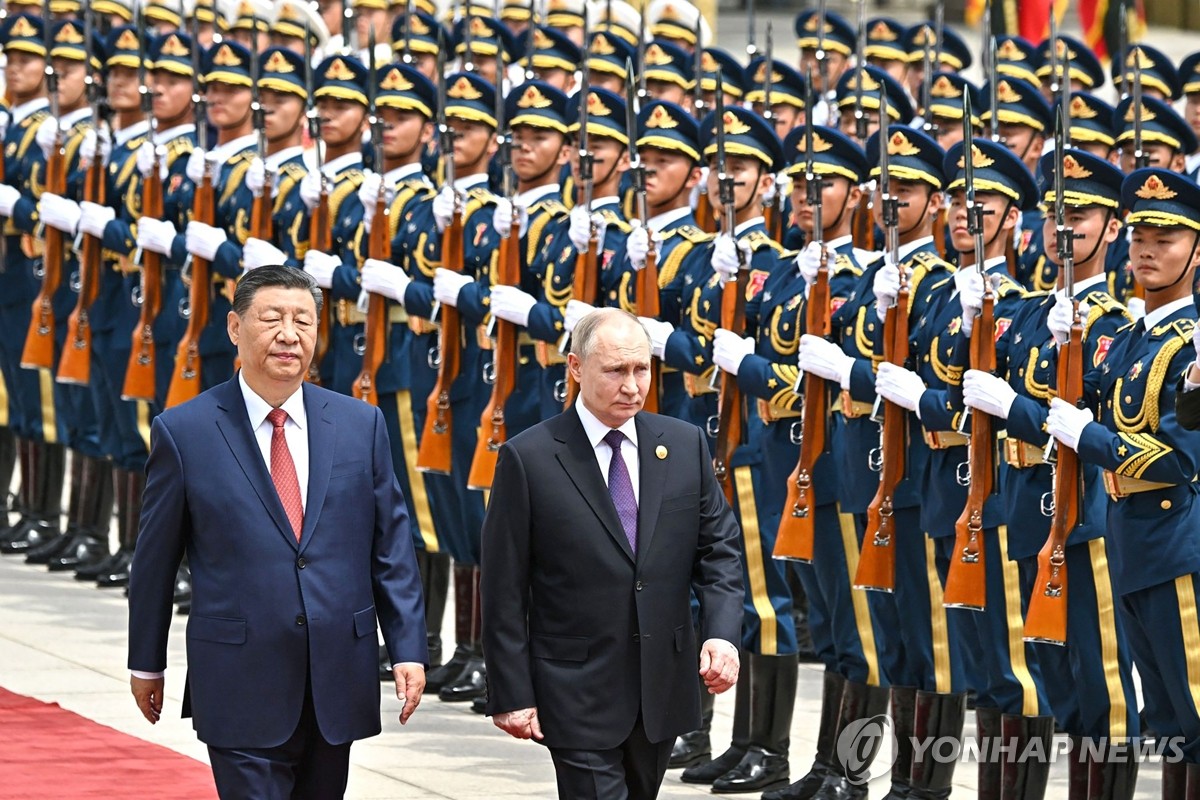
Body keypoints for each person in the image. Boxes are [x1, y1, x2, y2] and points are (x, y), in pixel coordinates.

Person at [126, 265, 428, 799]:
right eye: (272, 319)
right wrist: (146, 661)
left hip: (336, 676)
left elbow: (392, 550)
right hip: (239, 676)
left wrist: (407, 648)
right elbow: (155, 561)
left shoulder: (362, 425)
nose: (289, 335)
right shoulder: (186, 431)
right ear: (234, 328)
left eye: (303, 321)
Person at [481, 307, 743, 800]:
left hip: (659, 688)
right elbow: (503, 587)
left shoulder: (683, 444)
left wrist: (723, 636)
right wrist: (512, 692)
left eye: (641, 369)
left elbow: (719, 550)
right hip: (574, 687)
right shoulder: (530, 457)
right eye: (616, 371)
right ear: (577, 368)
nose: (632, 385)